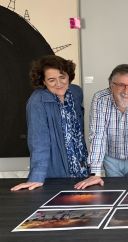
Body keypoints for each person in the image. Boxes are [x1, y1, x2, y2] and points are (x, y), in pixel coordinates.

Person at [11, 55, 89, 191]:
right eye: (51, 80)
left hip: (81, 167)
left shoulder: (76, 92)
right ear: (43, 81)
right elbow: (38, 141)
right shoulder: (37, 101)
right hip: (56, 170)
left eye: (62, 77)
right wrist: (37, 176)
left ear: (69, 76)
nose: (59, 84)